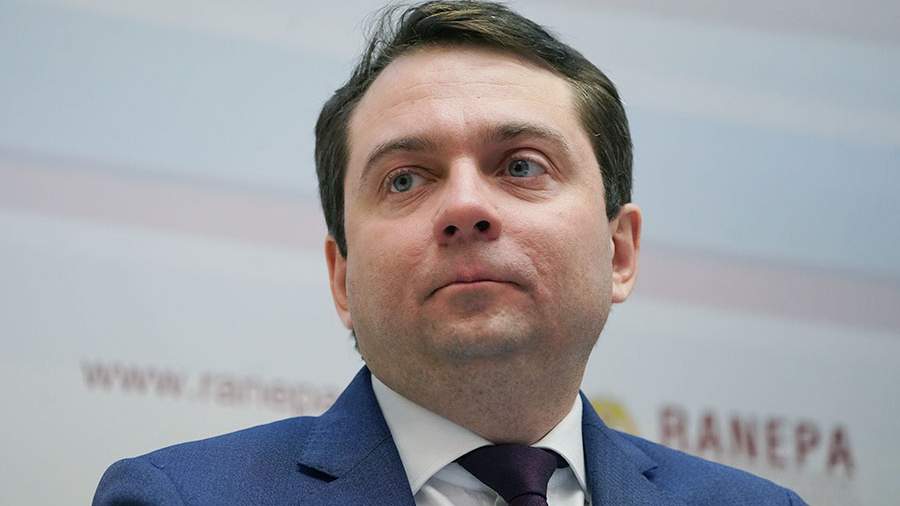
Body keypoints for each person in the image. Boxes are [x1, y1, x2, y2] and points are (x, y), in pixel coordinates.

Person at [93, 1, 806, 504]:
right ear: (342, 278)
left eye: (521, 165)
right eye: (405, 179)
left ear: (619, 252)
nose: (465, 207)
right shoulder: (180, 498)